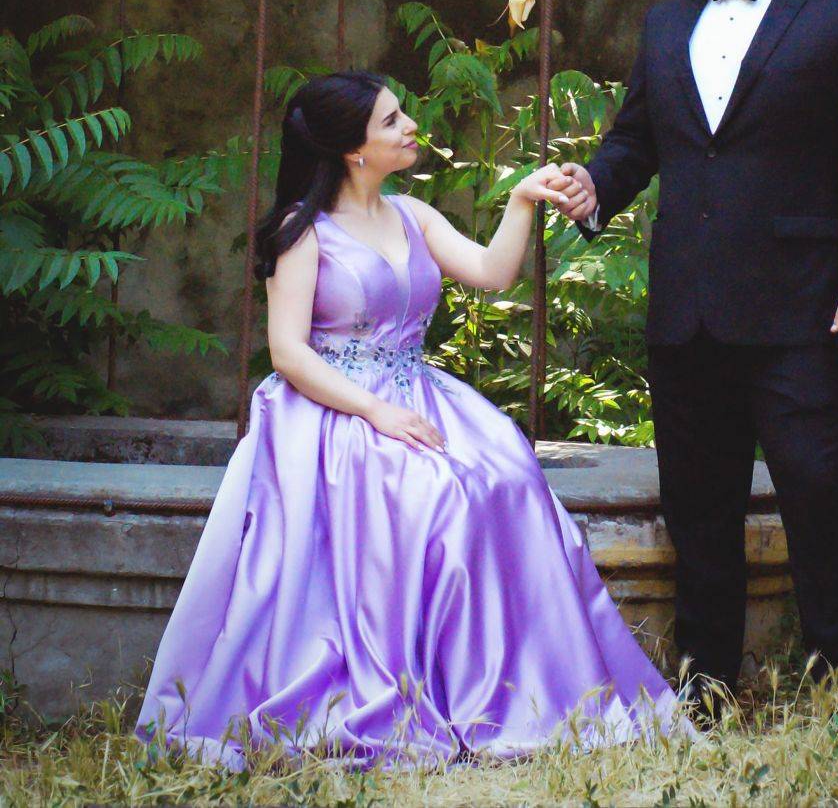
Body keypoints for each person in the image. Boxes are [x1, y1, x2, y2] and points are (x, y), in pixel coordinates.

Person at [136, 71, 683, 767]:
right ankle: (398, 683)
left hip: (417, 392)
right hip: (335, 407)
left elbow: (492, 273)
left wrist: (521, 199)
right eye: (392, 120)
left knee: (506, 476)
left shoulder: (412, 214)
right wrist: (374, 411)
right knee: (433, 492)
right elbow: (288, 352)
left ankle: (504, 688)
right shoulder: (303, 232)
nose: (410, 127)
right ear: (352, 149)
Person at [554, 0, 838, 700]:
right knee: (698, 502)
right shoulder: (666, 23)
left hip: (801, 305)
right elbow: (636, 140)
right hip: (689, 304)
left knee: (815, 485)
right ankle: (705, 681)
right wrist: (593, 186)